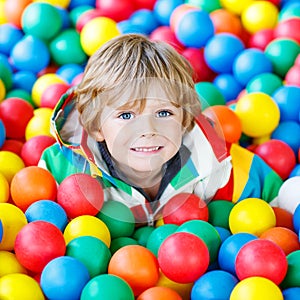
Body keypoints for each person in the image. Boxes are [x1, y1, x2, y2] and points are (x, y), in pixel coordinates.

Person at [39, 34, 283, 225]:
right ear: (95, 127)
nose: (147, 130)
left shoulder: (224, 169)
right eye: (126, 115)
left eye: (163, 113)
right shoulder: (62, 171)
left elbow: (279, 206)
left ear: (184, 119)